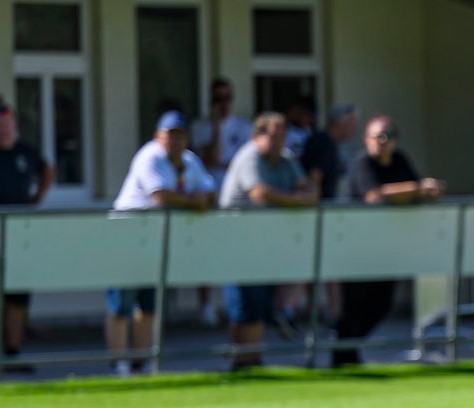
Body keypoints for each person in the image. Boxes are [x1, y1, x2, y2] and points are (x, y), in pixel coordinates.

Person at [109, 111, 216, 376]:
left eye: (180, 135)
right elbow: (161, 196)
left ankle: (142, 361)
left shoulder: (190, 160)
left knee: (150, 303)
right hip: (128, 236)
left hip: (157, 239)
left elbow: (211, 191)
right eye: (170, 135)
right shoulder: (150, 156)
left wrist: (201, 200)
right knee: (121, 302)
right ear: (158, 137)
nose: (175, 141)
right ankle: (119, 363)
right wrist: (195, 201)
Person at [339, 116, 444, 366]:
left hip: (388, 247)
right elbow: (374, 195)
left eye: (386, 137)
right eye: (375, 137)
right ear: (366, 139)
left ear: (395, 140)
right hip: (357, 249)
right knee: (354, 307)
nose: (380, 142)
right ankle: (342, 356)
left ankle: (347, 348)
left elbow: (415, 191)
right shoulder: (362, 163)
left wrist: (428, 192)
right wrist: (416, 188)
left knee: (381, 305)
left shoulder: (400, 161)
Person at [217, 111, 319, 369]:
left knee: (261, 303)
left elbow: (309, 187)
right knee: (245, 306)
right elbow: (259, 194)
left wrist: (302, 195)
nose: (277, 141)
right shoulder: (249, 156)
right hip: (236, 244)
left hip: (264, 245)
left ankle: (252, 359)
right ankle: (243, 361)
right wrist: (296, 200)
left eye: (282, 136)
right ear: (256, 136)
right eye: (272, 136)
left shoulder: (285, 159)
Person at [0, 95, 52, 367]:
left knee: (17, 294)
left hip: (19, 232)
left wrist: (37, 198)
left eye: (7, 125)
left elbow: (48, 170)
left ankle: (13, 352)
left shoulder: (25, 151)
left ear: (14, 127)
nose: (3, 130)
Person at [190, 79, 252, 326]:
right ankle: (206, 305)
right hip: (209, 197)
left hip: (234, 200)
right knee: (205, 252)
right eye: (218, 99)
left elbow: (242, 164)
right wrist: (215, 127)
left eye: (227, 98)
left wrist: (225, 164)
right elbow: (210, 158)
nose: (223, 103)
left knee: (233, 251)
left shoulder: (244, 127)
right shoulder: (200, 127)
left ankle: (235, 305)